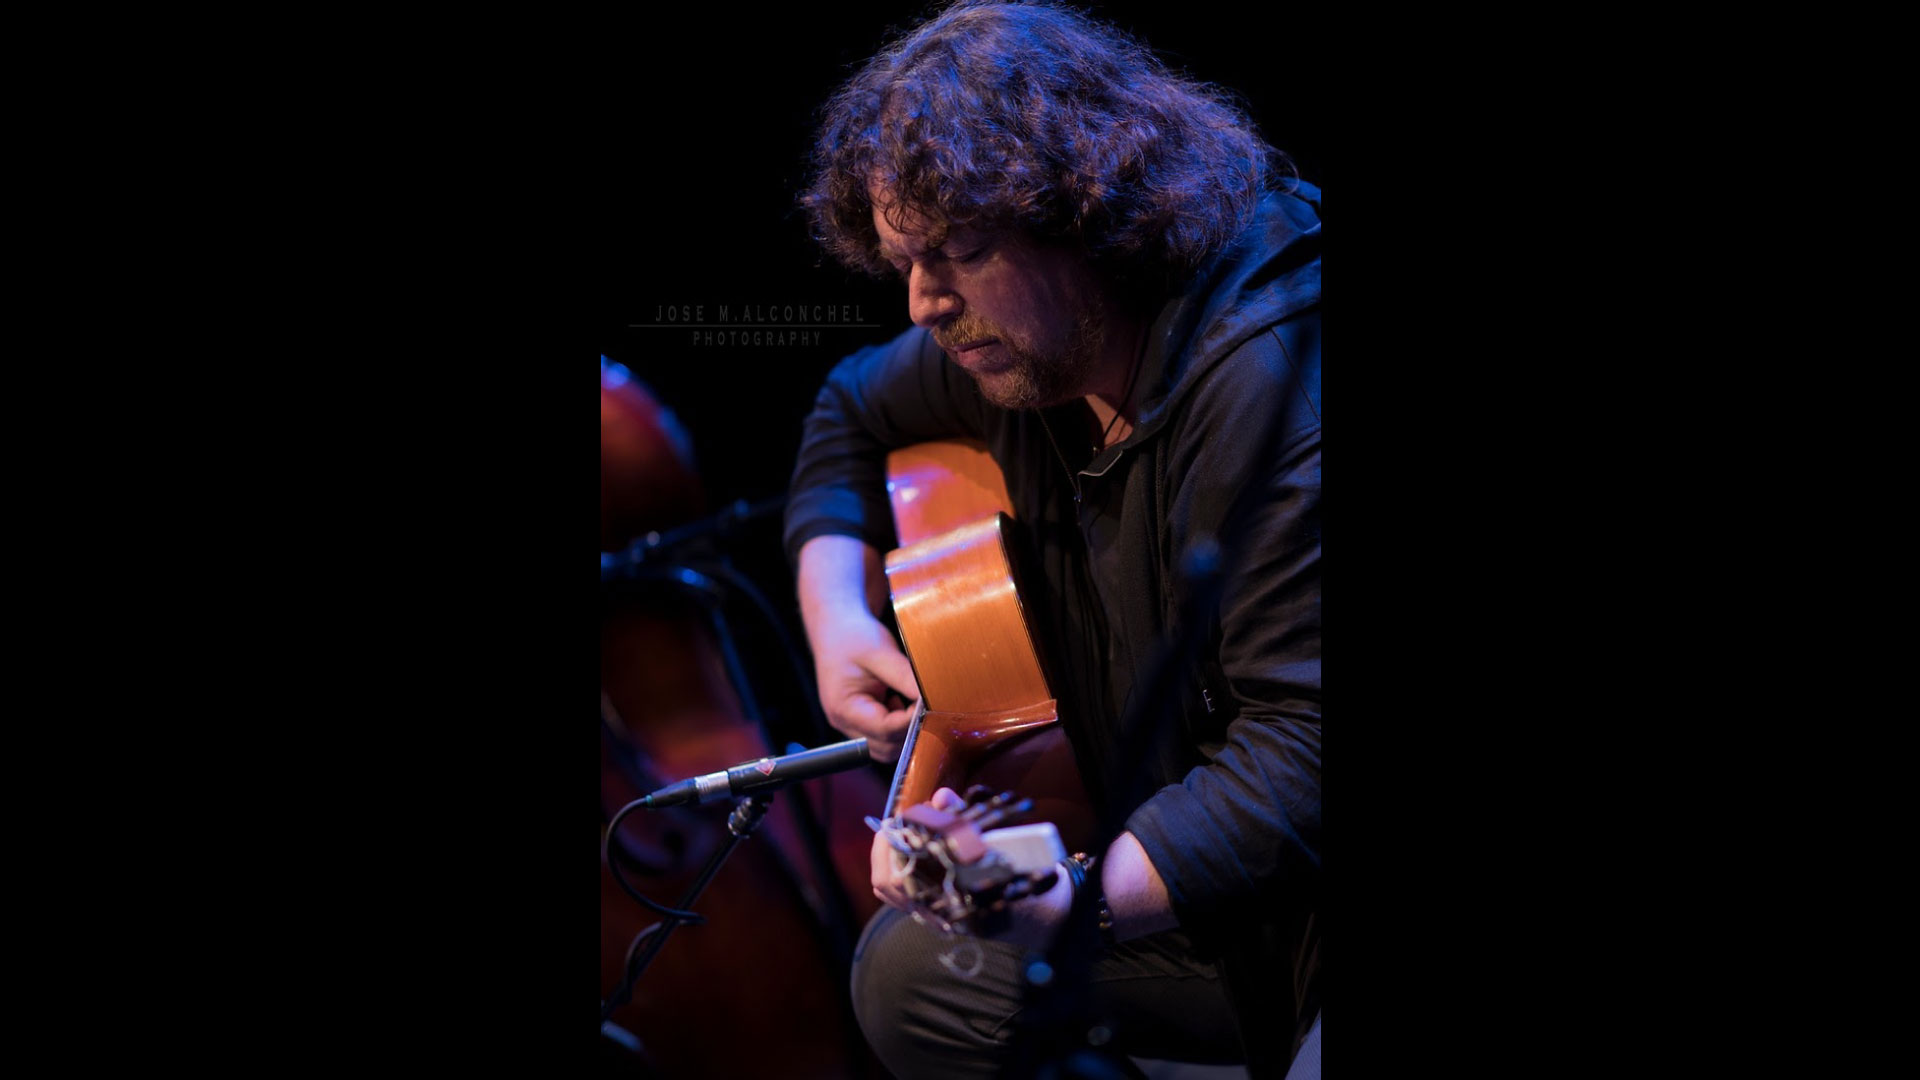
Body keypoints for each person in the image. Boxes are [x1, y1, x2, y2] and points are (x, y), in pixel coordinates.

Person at [782, 2, 1320, 1076]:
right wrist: (835, 615)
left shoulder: (1276, 393)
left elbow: (1304, 747)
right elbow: (849, 409)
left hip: (1305, 914)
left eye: (962, 253)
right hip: (1212, 908)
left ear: (1095, 216)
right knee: (912, 976)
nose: (923, 302)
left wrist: (1075, 898)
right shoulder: (1027, 345)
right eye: (904, 260)